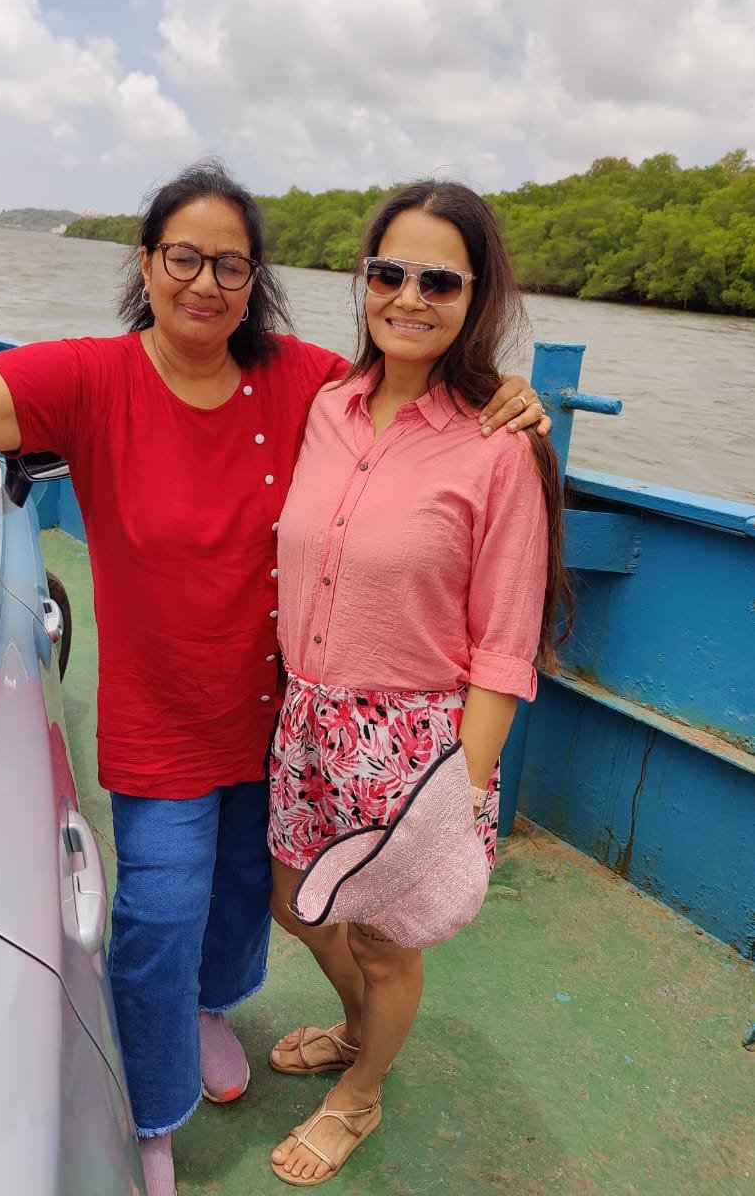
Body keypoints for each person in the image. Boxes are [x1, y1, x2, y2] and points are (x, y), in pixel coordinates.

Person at [0, 162, 548, 1196]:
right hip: (160, 719)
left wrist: (507, 394)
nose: (205, 281)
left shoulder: (310, 384)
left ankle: (208, 1008)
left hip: (286, 723)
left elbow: (422, 401)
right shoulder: (91, 379)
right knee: (155, 911)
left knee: (247, 893)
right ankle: (150, 1106)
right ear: (146, 262)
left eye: (230, 263)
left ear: (255, 279)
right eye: (182, 256)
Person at [265, 180, 569, 1186]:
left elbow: (502, 641)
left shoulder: (498, 442)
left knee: (386, 939)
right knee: (298, 902)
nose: (407, 295)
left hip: (413, 741)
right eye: (387, 271)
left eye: (438, 279)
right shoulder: (322, 408)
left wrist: (458, 795)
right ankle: (358, 1030)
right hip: (307, 718)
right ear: (362, 281)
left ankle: (359, 1091)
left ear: (473, 297)